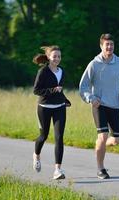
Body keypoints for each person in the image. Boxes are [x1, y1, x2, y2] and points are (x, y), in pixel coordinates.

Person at [79, 33, 119, 179]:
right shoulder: (94, 64)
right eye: (106, 44)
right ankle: (101, 169)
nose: (109, 47)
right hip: (99, 104)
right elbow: (83, 87)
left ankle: (99, 146)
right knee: (103, 135)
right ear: (101, 46)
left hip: (114, 104)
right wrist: (91, 98)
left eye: (111, 44)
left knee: (116, 140)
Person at [32, 45, 71, 180]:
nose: (57, 59)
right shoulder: (43, 71)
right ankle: (36, 155)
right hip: (44, 107)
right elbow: (36, 90)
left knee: (59, 137)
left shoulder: (62, 71)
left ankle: (57, 170)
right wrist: (52, 90)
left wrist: (64, 99)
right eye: (54, 56)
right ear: (48, 57)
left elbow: (59, 89)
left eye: (59, 56)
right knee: (44, 136)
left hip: (59, 107)